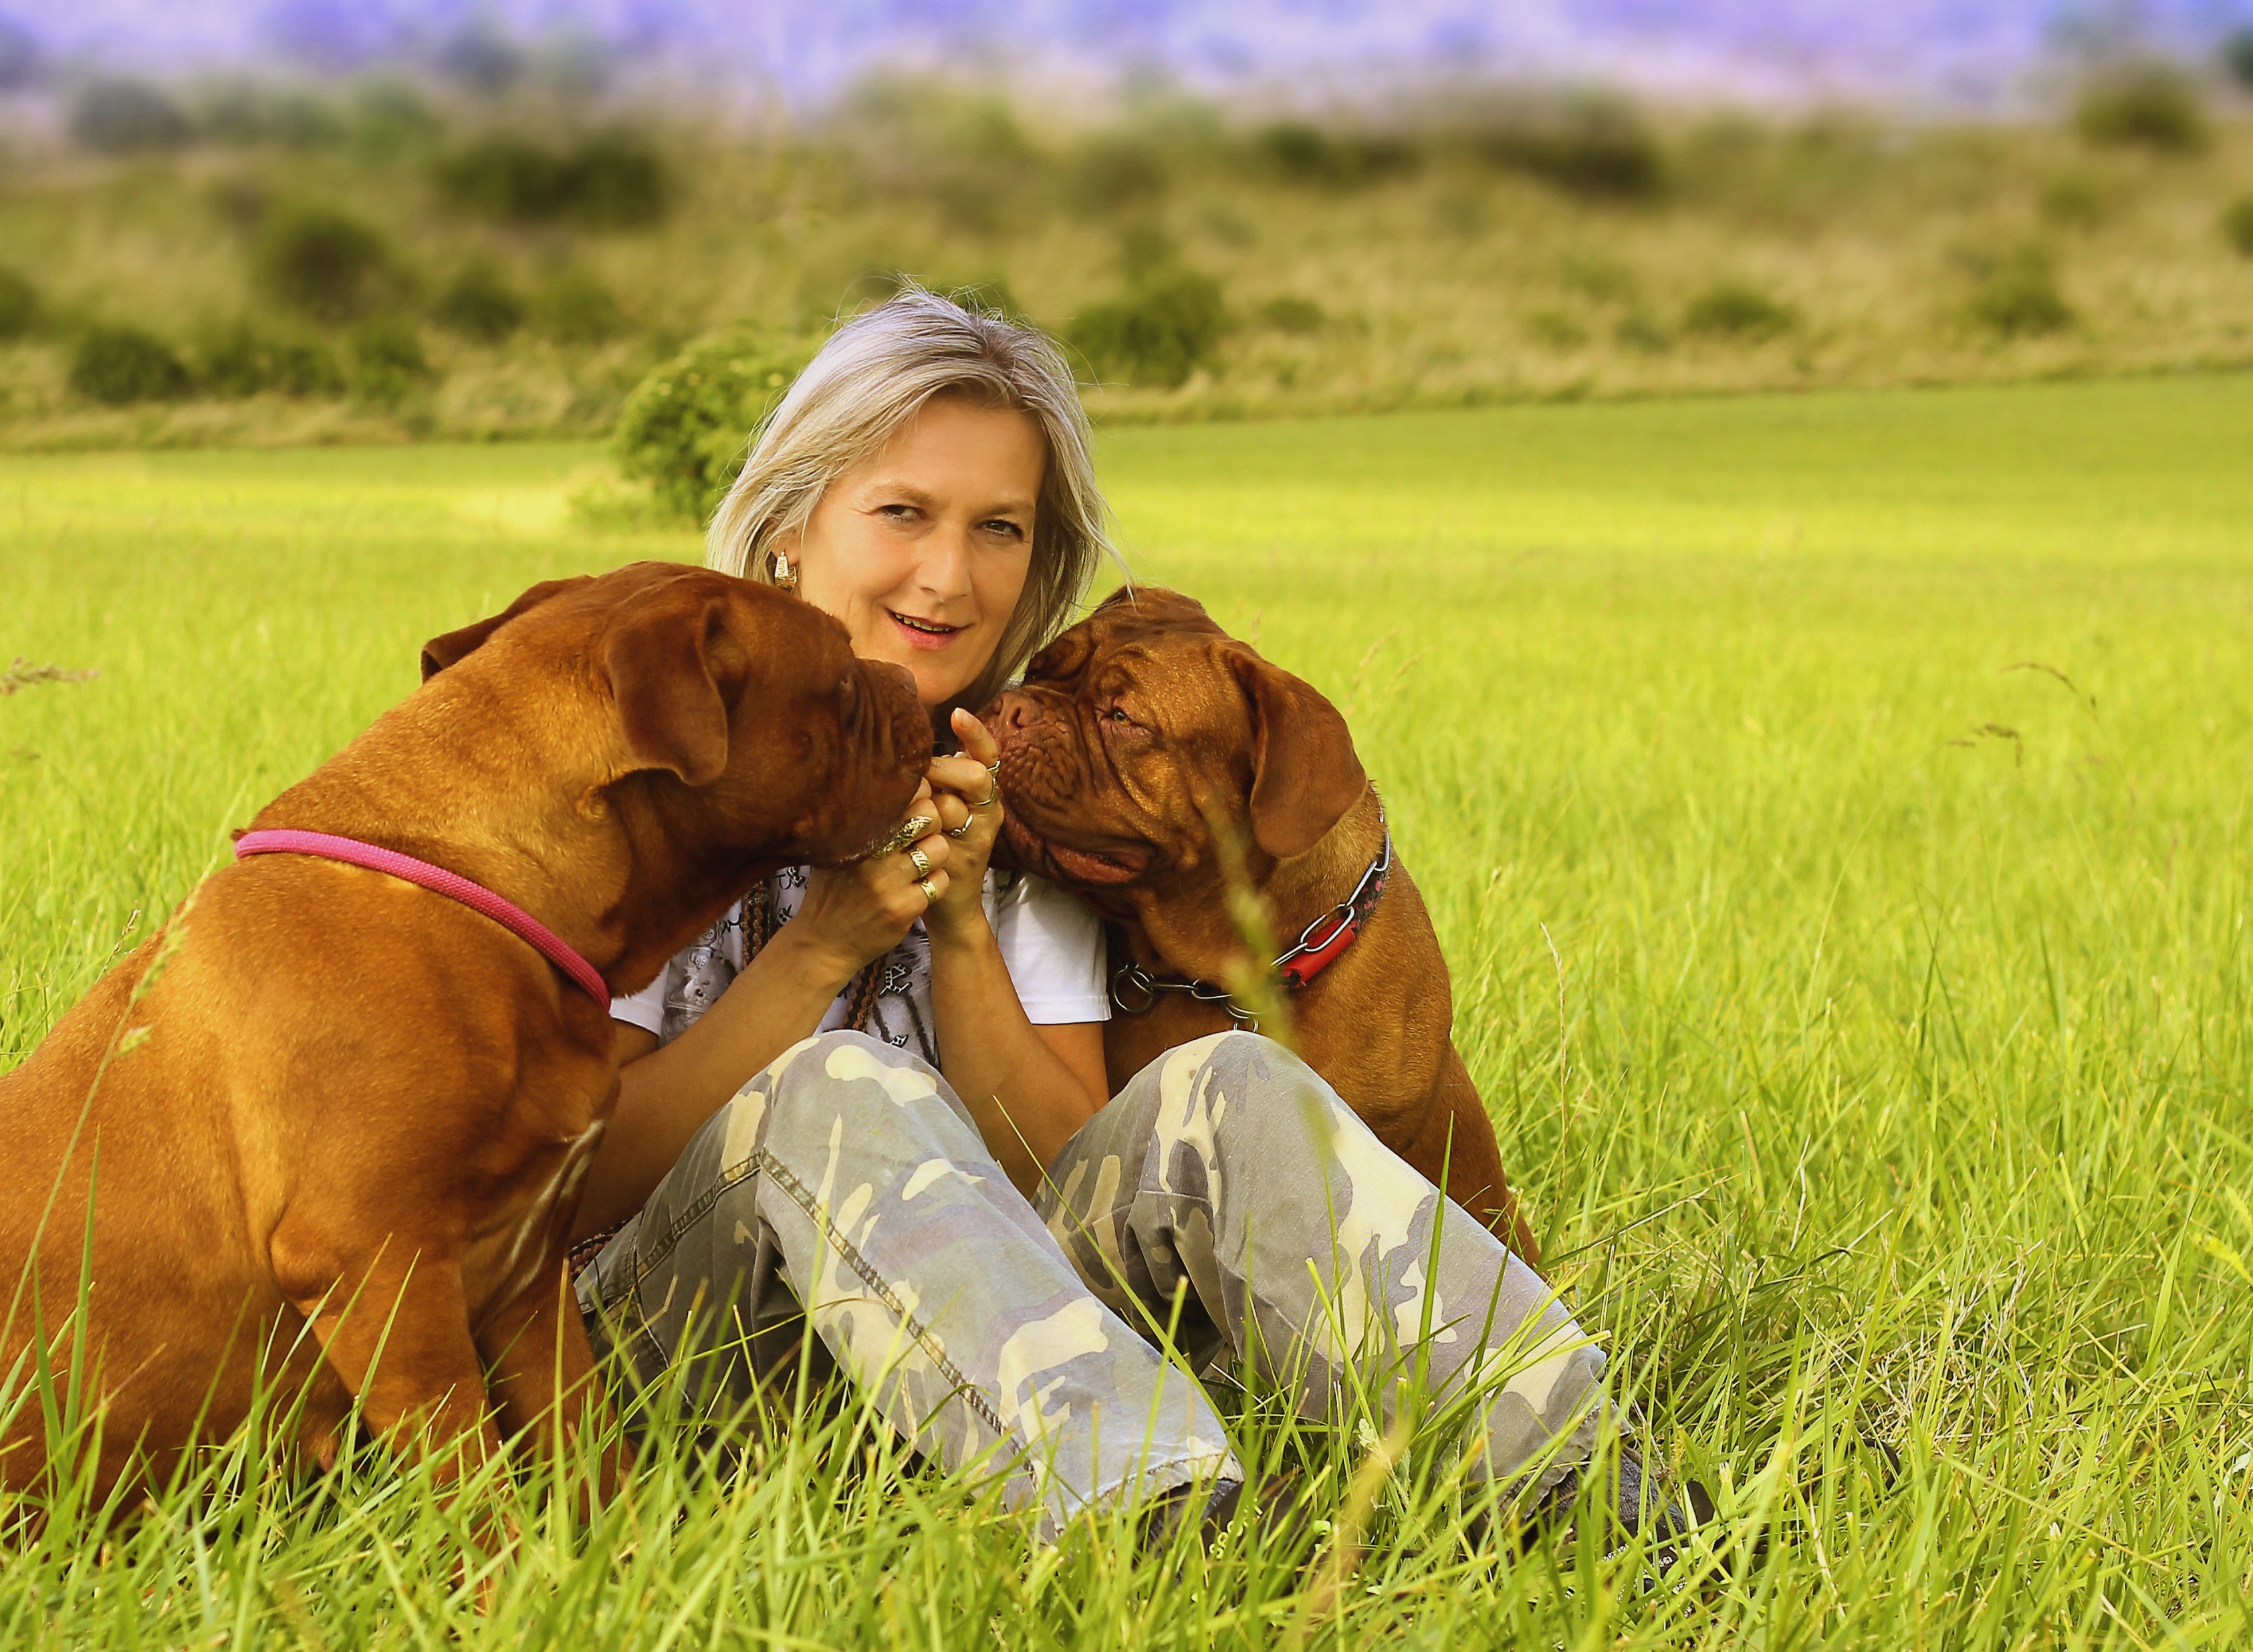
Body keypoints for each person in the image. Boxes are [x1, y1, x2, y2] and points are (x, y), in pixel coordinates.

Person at [569, 287, 1669, 1548]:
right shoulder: (654, 758)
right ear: (789, 521)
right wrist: (820, 947)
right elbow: (576, 1174)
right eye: (901, 513)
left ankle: (1601, 1496)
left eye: (1000, 529)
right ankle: (1154, 1528)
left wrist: (962, 920)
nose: (949, 573)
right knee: (838, 1084)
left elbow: (1063, 1173)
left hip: (954, 1360)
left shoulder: (1026, 799)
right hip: (667, 1349)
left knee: (1230, 1084)